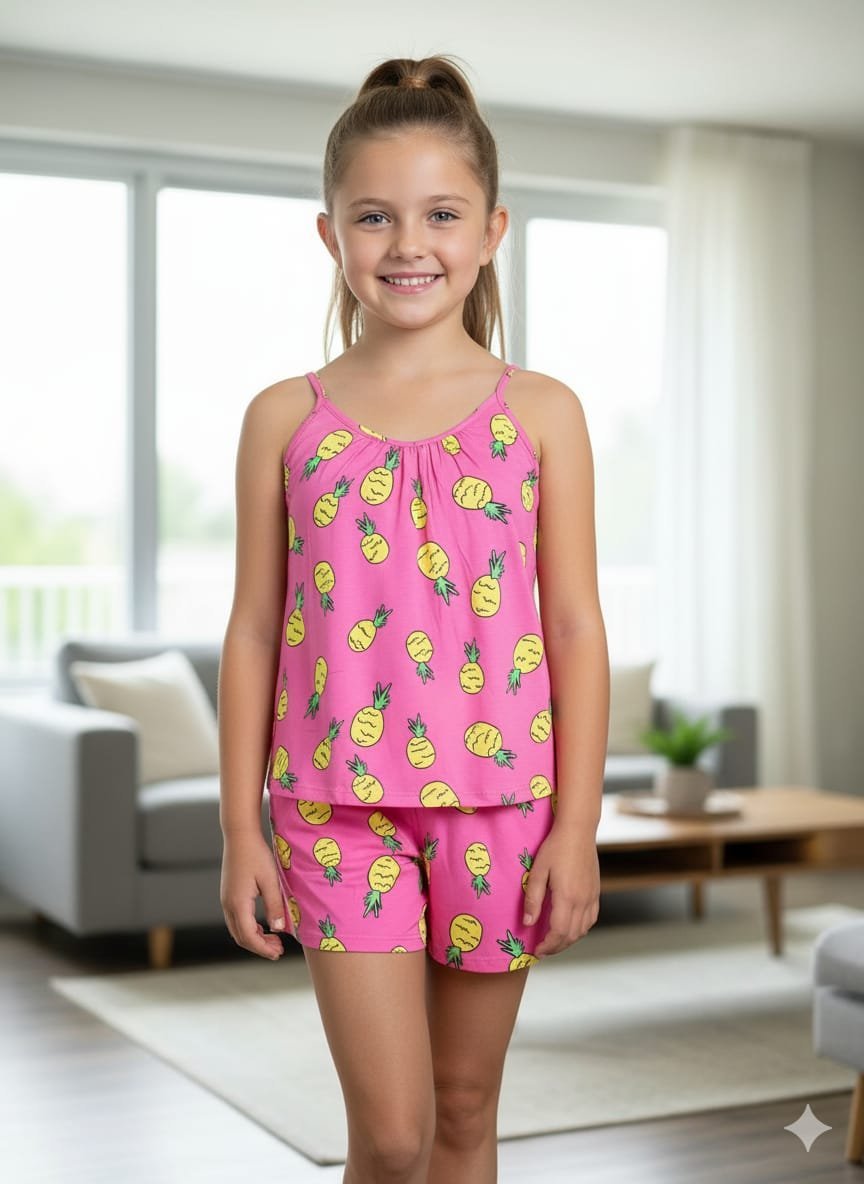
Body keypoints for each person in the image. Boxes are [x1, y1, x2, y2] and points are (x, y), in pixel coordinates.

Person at [219, 52, 609, 1184]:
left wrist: (577, 826)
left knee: (465, 1108)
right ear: (330, 235)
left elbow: (575, 627)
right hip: (333, 806)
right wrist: (241, 827)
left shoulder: (544, 413)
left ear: (491, 231)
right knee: (391, 1136)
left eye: (441, 214)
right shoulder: (282, 418)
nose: (408, 244)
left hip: (504, 807)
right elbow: (254, 628)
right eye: (374, 216)